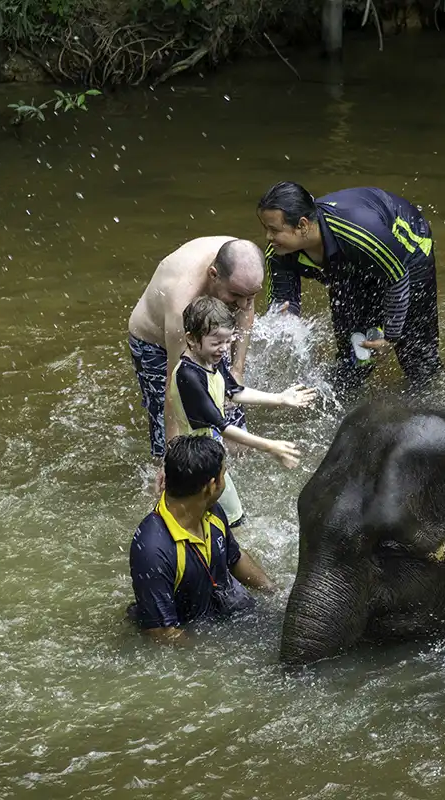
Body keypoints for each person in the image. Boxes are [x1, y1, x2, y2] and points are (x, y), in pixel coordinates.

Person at [256, 181, 443, 399]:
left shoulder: (358, 232)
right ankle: (347, 399)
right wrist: (285, 320)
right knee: (352, 350)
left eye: (274, 230)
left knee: (415, 353)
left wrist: (391, 337)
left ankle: (435, 396)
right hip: (350, 261)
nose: (268, 237)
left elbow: (397, 277)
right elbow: (283, 303)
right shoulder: (279, 252)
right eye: (266, 229)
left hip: (407, 254)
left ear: (303, 225)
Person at [168, 296, 318, 527]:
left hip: (208, 454)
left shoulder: (208, 360)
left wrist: (280, 399)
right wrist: (270, 446)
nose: (223, 349)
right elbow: (223, 426)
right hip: (196, 462)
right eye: (216, 342)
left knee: (209, 523)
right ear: (191, 339)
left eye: (227, 342)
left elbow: (234, 391)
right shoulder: (188, 375)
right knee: (235, 525)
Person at [127, 237, 265, 462]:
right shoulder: (182, 300)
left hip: (208, 332)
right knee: (175, 447)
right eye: (236, 296)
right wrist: (172, 453)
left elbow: (244, 312)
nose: (243, 304)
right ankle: (164, 476)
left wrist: (237, 369)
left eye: (250, 297)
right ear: (213, 275)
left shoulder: (243, 268)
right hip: (155, 344)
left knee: (236, 441)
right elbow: (174, 386)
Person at [129, 436, 275, 643]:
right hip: (191, 629)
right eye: (224, 473)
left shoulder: (212, 512)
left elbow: (235, 558)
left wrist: (273, 590)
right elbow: (163, 633)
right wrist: (215, 655)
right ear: (211, 486)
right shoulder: (153, 549)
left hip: (225, 607)